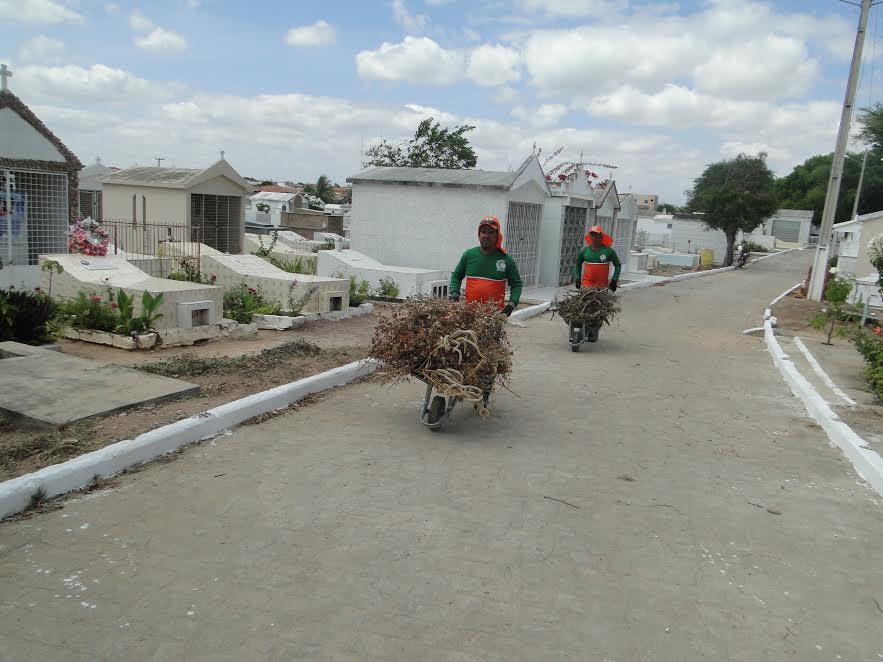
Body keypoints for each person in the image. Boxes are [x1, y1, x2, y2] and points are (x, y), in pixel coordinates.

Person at [449, 216, 523, 316]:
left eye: (491, 232)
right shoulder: (469, 255)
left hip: (495, 315)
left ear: (497, 235)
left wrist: (511, 304)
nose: (486, 236)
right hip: (469, 314)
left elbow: (516, 284)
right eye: (483, 232)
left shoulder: (506, 259)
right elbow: (456, 276)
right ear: (479, 235)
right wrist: (454, 293)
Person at [573, 225, 622, 342]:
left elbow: (618, 265)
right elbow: (578, 264)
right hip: (587, 285)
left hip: (602, 286)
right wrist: (577, 278)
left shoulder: (609, 251)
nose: (595, 237)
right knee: (584, 307)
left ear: (601, 237)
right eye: (593, 235)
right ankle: (581, 329)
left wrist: (614, 280)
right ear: (590, 236)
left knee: (598, 310)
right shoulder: (584, 251)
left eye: (597, 235)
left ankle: (594, 331)